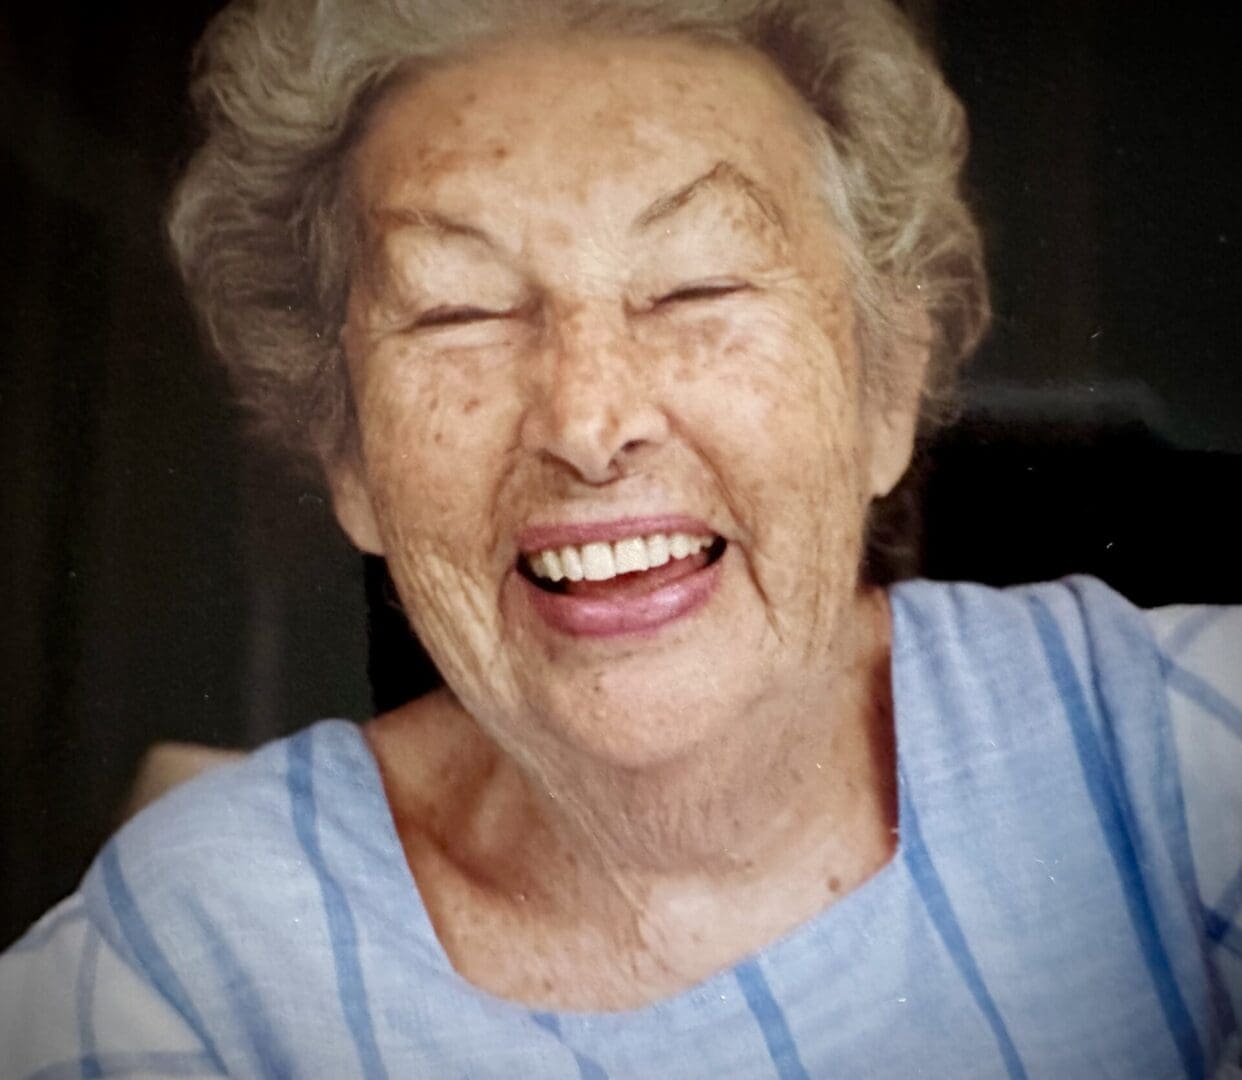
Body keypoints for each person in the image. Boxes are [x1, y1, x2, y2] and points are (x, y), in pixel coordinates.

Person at [3, 0, 1240, 1076]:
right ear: (352, 461)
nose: (589, 422)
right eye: (459, 311)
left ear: (882, 393)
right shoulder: (198, 960)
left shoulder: (1175, 749)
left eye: (697, 288)